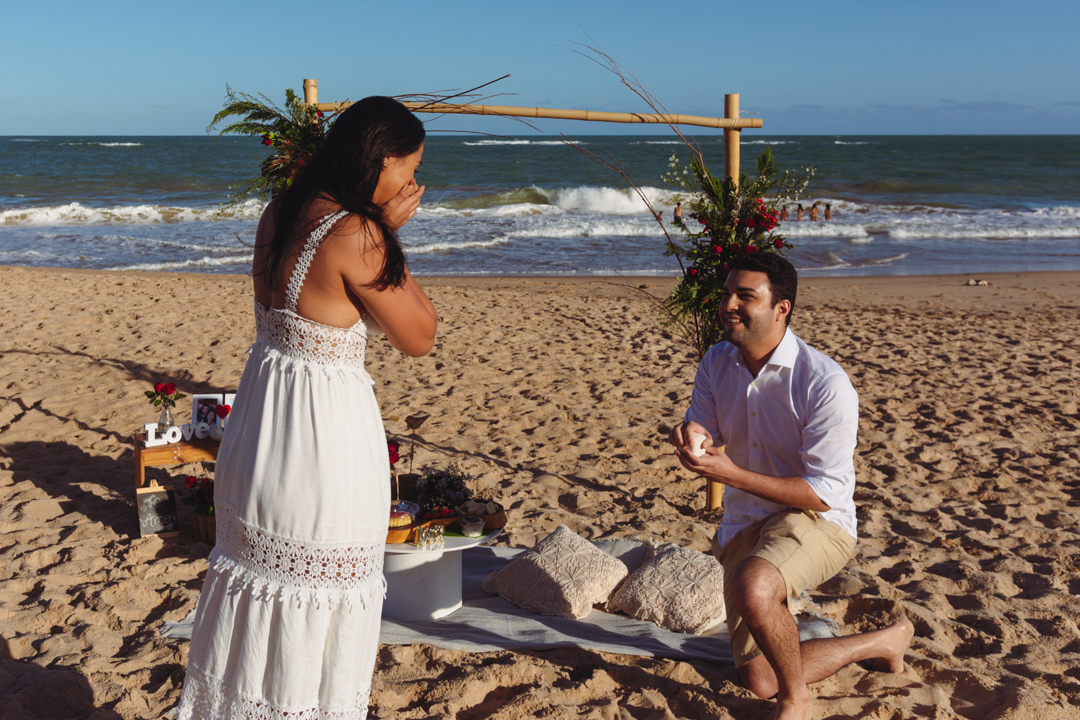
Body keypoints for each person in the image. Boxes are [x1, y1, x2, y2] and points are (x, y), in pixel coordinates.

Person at [175, 97, 437, 719]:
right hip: (321, 441)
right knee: (318, 600)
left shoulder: (280, 211)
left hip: (263, 425)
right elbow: (419, 335)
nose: (415, 183)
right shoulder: (358, 233)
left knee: (260, 595)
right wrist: (386, 233)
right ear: (382, 160)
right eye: (412, 166)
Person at [668, 253, 912, 720]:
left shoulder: (825, 383)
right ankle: (882, 640)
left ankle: (796, 701)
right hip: (745, 521)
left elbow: (823, 493)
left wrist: (730, 475)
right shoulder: (717, 360)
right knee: (760, 678)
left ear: (781, 309)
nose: (728, 306)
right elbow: (702, 422)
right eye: (726, 294)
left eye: (745, 296)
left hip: (819, 519)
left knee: (754, 583)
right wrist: (692, 436)